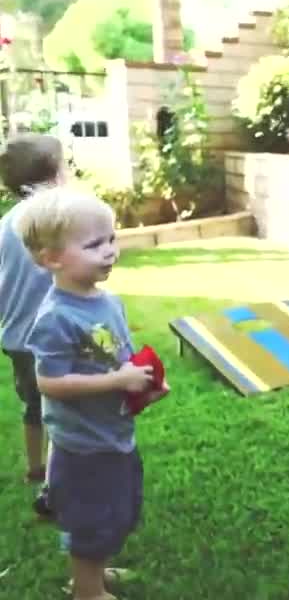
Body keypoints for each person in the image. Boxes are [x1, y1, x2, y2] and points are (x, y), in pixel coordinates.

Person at [18, 187, 152, 600]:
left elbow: (118, 358)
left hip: (111, 431)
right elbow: (49, 383)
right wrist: (116, 382)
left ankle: (93, 570)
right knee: (90, 519)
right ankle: (87, 590)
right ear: (51, 258)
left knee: (115, 512)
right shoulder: (56, 316)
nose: (110, 251)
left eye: (111, 239)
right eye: (94, 244)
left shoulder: (107, 301)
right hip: (82, 445)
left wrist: (141, 383)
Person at [0, 132, 68, 517]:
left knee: (33, 405)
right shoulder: (59, 215)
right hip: (54, 334)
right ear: (55, 174)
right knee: (63, 410)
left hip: (16, 335)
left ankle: (35, 468)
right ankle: (53, 486)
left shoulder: (6, 222)